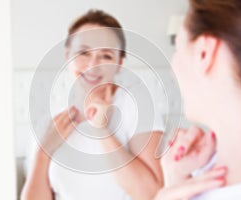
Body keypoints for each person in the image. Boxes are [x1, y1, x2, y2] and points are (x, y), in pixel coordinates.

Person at [21, 9, 165, 200]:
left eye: (105, 56)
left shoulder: (136, 109)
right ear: (67, 55)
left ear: (119, 63)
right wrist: (43, 152)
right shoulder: (51, 121)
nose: (93, 65)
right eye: (83, 53)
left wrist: (102, 130)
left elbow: (152, 193)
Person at [155, 0, 241, 199]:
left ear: (204, 53)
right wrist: (175, 182)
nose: (173, 65)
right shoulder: (208, 166)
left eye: (177, 47)